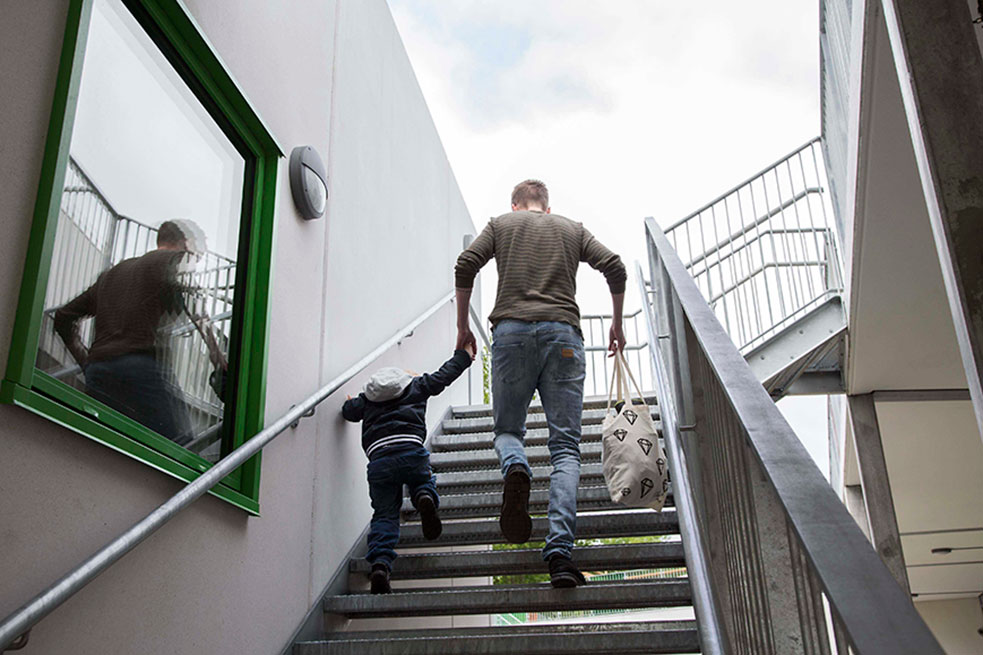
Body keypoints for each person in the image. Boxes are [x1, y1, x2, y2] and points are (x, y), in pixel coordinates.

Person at [454, 179, 626, 588]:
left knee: (508, 430)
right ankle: (560, 554)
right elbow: (614, 266)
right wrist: (616, 323)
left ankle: (516, 467)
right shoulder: (572, 229)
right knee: (565, 447)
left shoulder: (501, 225)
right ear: (546, 208)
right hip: (563, 338)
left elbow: (465, 264)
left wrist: (463, 327)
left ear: (515, 205)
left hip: (511, 335)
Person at [53, 219, 224, 446]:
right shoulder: (173, 260)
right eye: (198, 251)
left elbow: (64, 316)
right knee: (180, 446)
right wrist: (218, 357)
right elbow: (195, 304)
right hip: (139, 368)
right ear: (186, 243)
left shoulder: (112, 274)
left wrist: (87, 362)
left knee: (110, 446)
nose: (197, 259)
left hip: (99, 372)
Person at [342, 345, 475, 594]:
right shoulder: (416, 386)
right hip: (411, 451)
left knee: (384, 515)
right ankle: (424, 497)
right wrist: (464, 356)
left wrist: (349, 404)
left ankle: (380, 565)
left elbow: (349, 412)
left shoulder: (368, 399)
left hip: (379, 461)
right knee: (422, 481)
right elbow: (444, 375)